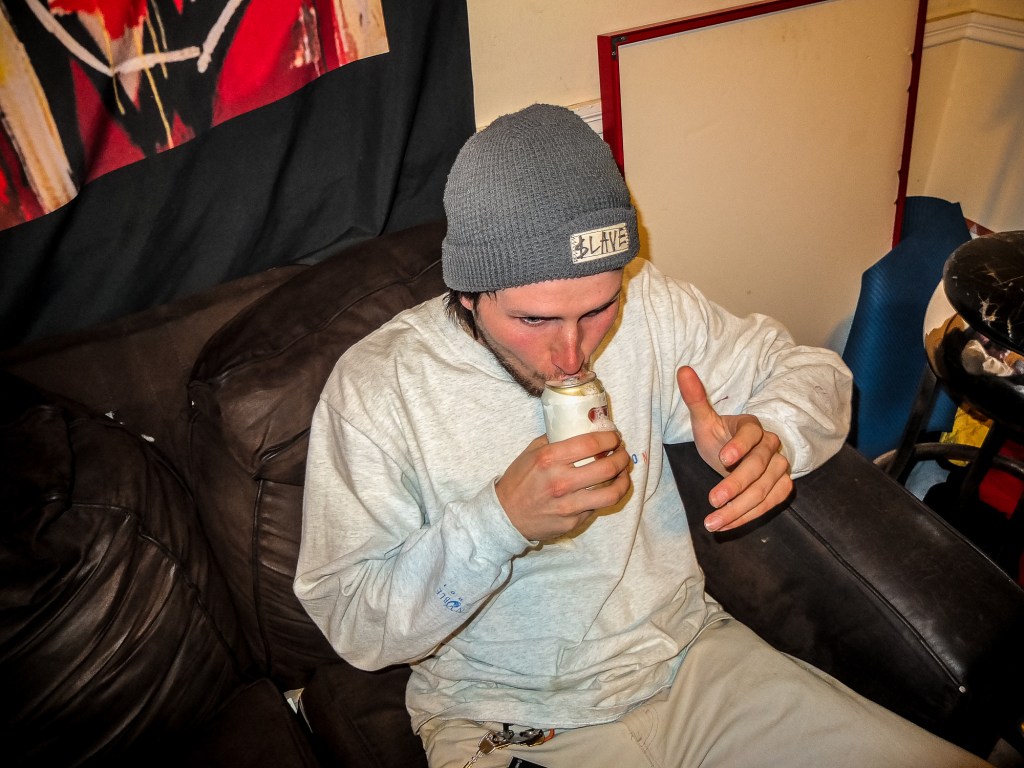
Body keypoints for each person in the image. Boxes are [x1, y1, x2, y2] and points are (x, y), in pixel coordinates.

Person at [295, 104, 990, 768]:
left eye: (599, 310)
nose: (572, 356)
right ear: (469, 293)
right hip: (501, 717)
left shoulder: (650, 305)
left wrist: (772, 437)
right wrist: (497, 522)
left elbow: (815, 374)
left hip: (695, 664)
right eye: (535, 321)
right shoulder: (379, 390)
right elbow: (354, 626)